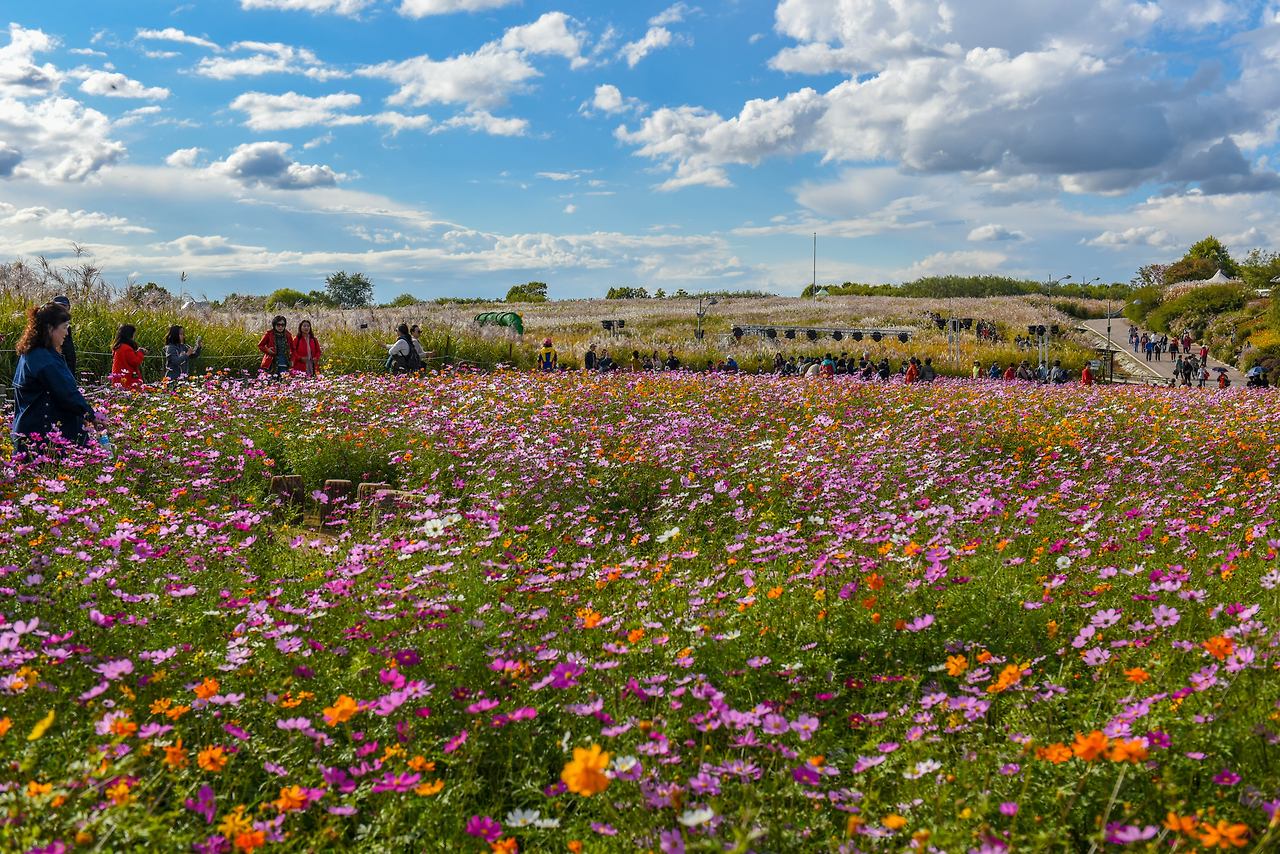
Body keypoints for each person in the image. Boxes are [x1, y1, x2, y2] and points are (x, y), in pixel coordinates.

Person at [11, 302, 97, 456]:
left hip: (28, 431)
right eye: (64, 327)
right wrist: (91, 415)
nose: (66, 333)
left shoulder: (32, 353)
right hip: (44, 438)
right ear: (50, 328)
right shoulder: (45, 359)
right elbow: (66, 393)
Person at [110, 324, 147, 390]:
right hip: (127, 378)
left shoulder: (118, 347)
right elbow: (135, 361)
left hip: (119, 378)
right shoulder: (126, 348)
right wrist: (140, 352)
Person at [51, 295, 76, 375]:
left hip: (67, 367)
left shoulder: (67, 327)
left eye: (64, 306)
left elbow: (69, 351)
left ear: (68, 308)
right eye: (58, 307)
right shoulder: (49, 326)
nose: (61, 310)